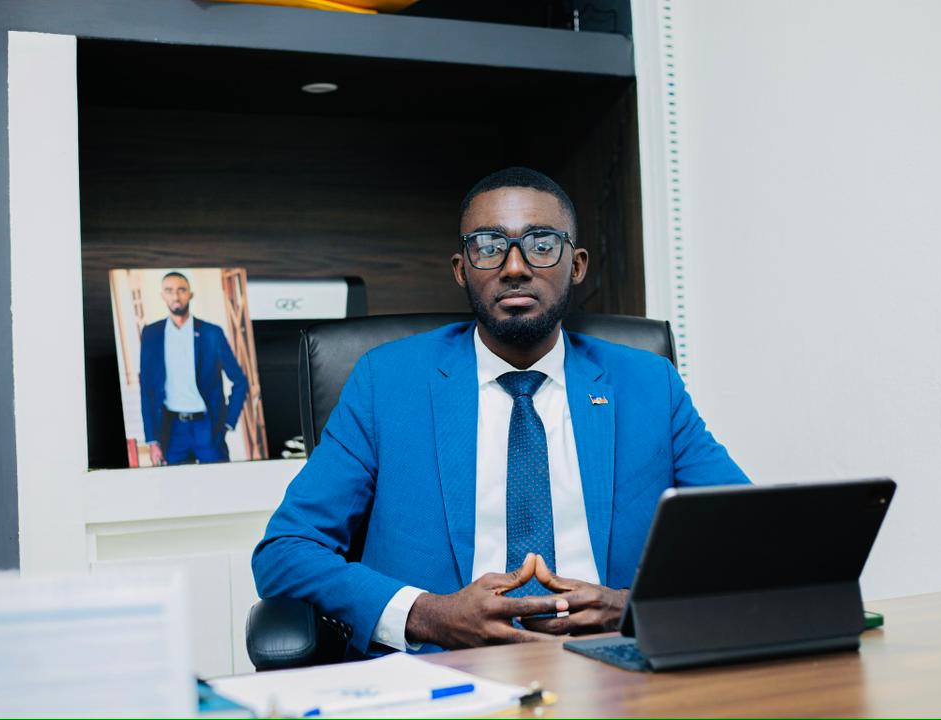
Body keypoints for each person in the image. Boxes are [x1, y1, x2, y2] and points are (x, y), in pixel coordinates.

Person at [253, 167, 749, 655]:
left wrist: (631, 607)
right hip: (445, 674)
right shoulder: (385, 382)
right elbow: (285, 552)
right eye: (489, 245)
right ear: (461, 268)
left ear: (576, 265)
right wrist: (429, 614)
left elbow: (746, 536)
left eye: (541, 243)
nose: (515, 266)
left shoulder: (647, 384)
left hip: (612, 668)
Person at [139, 271, 248, 466]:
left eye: (181, 290)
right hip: (172, 430)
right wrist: (152, 440)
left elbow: (239, 381)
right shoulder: (151, 334)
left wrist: (228, 422)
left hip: (207, 427)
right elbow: (146, 388)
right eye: (169, 290)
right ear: (162, 295)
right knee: (178, 490)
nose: (175, 296)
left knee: (219, 485)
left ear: (190, 294)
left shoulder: (211, 333)